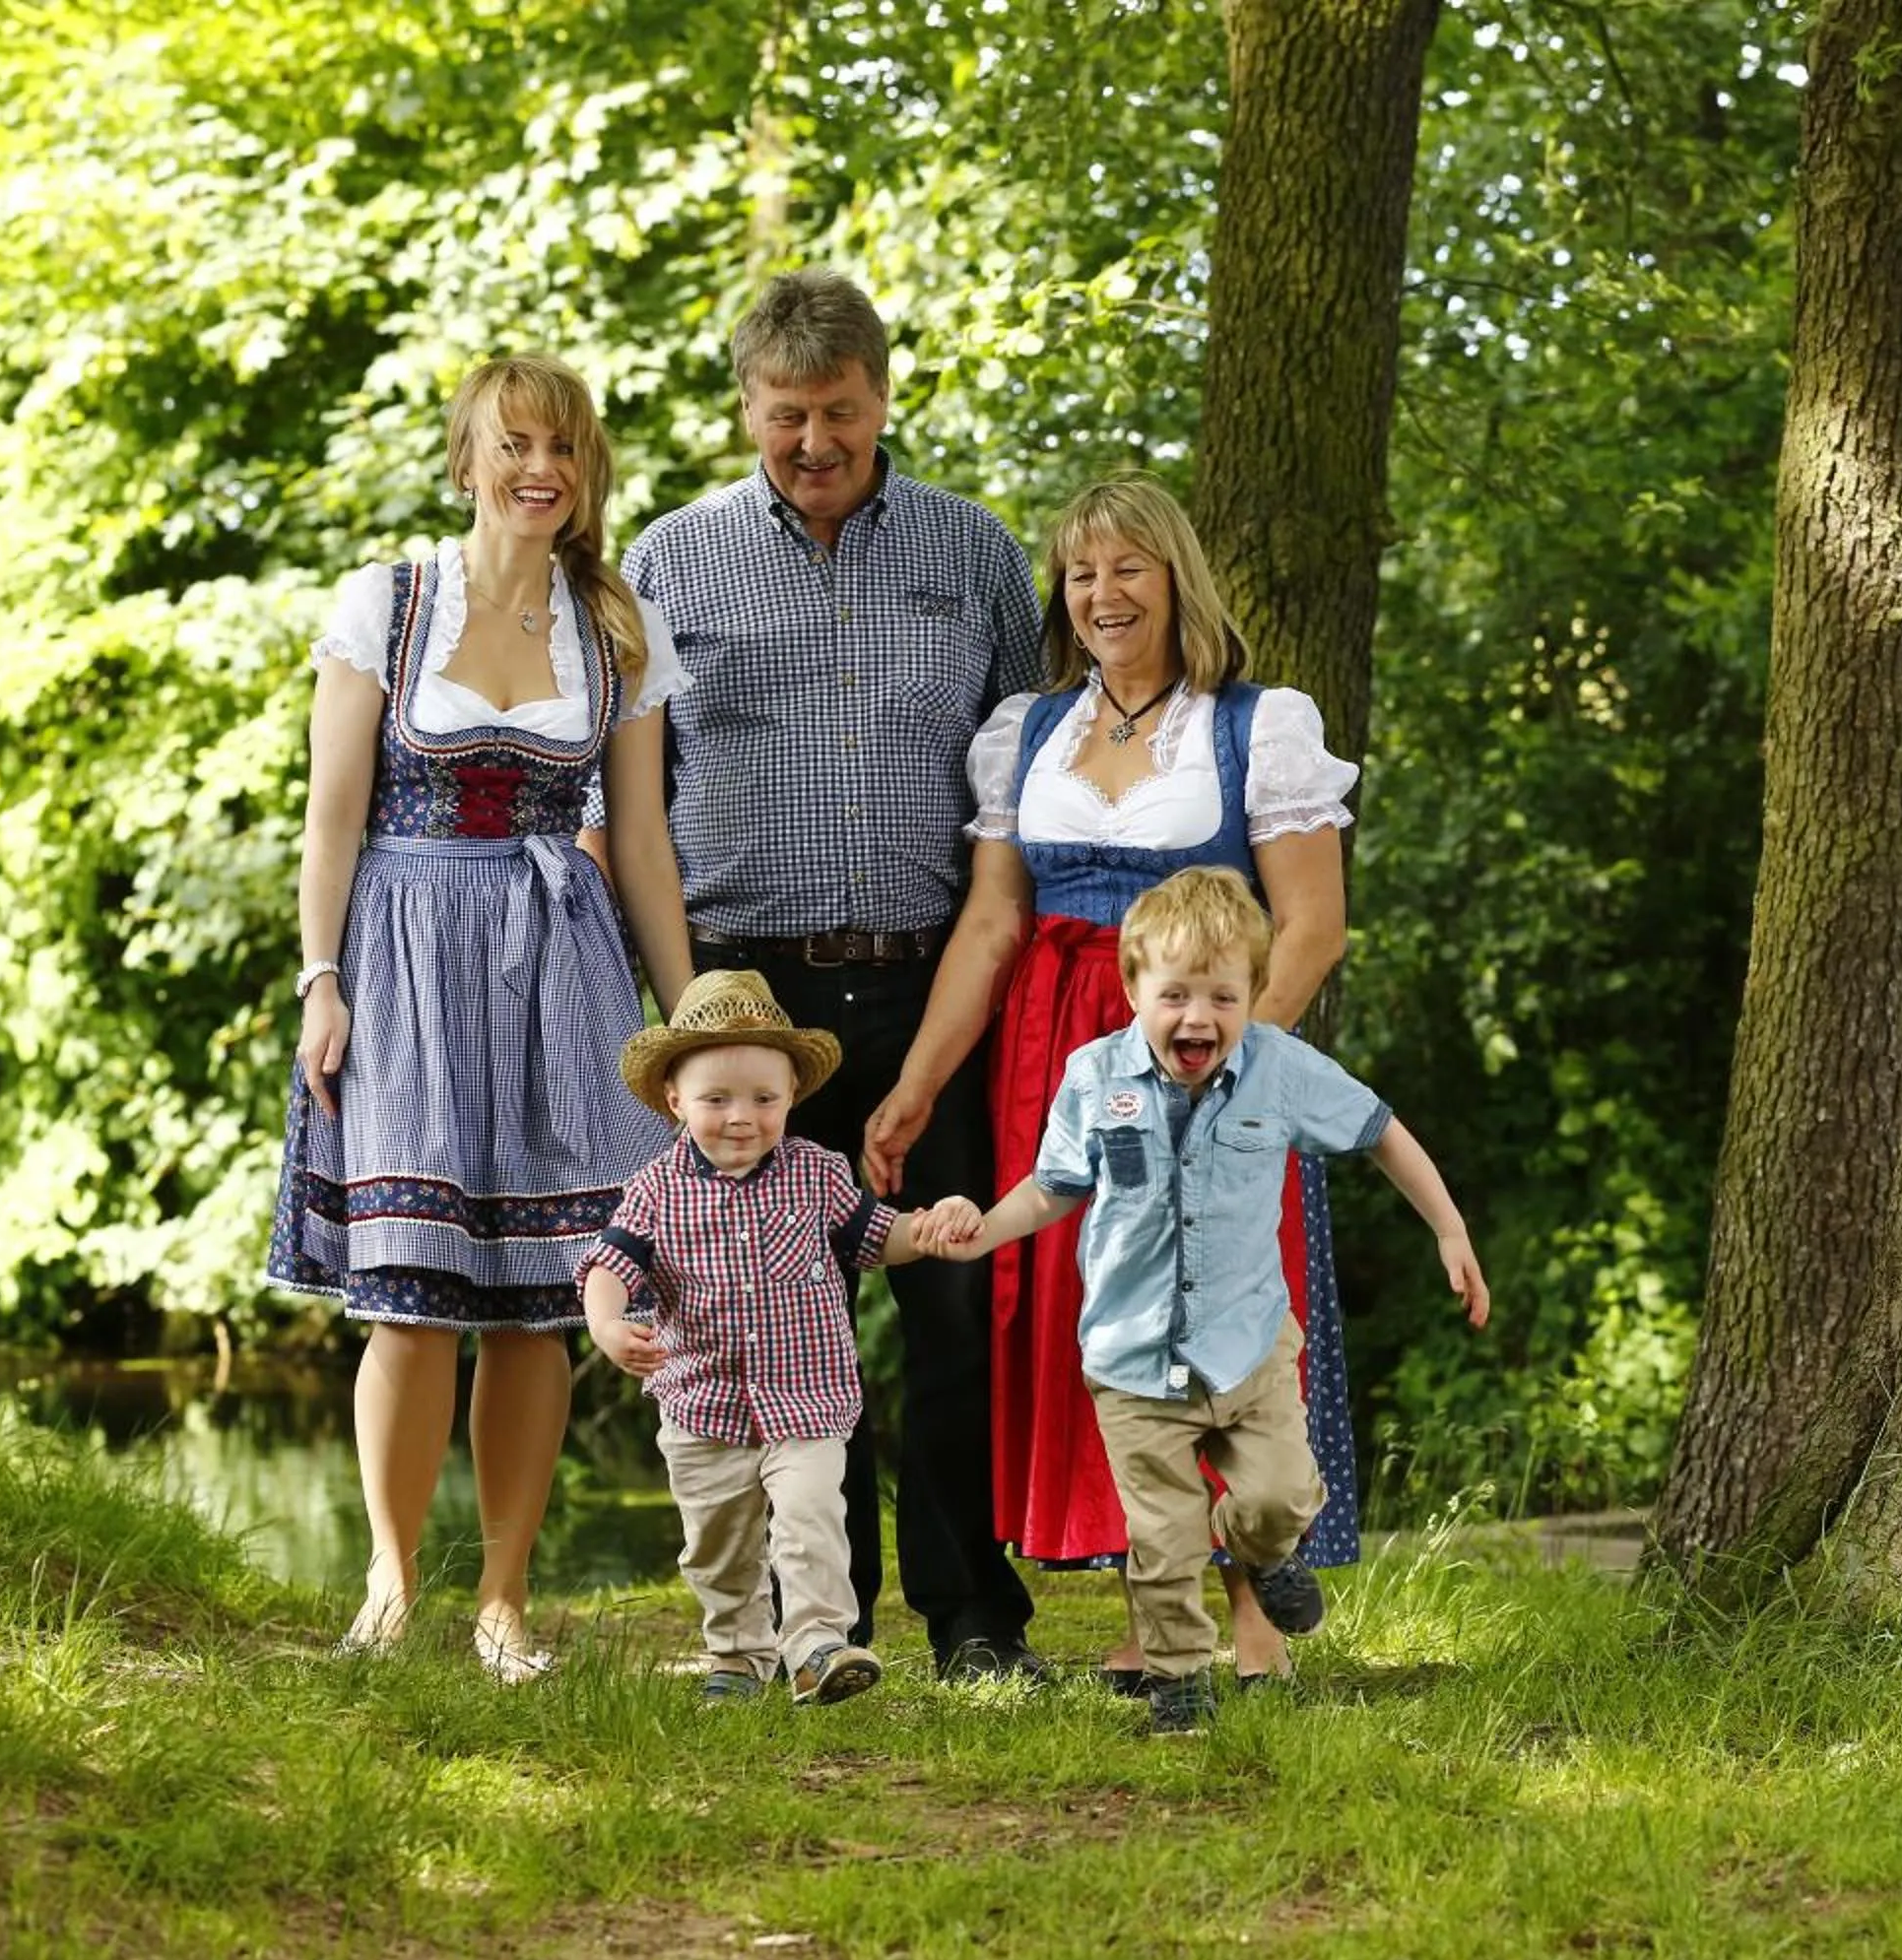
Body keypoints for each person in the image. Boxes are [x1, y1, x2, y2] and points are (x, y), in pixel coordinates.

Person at [862, 474, 1360, 1686]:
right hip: (1062, 1061)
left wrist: (1233, 1064)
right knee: (1118, 1321)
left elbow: (1310, 924)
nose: (1102, 593)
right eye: (1081, 574)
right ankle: (1158, 1609)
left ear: (1177, 576)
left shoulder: (1255, 722)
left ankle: (1253, 1612)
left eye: (1127, 567)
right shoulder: (1028, 731)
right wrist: (921, 1085)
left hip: (1204, 1039)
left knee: (1231, 1303)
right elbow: (990, 927)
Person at [622, 269, 1048, 1681]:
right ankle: (825, 1622)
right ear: (747, 403)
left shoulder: (975, 554)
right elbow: (635, 798)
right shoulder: (672, 562)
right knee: (777, 1320)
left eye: (842, 413)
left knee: (949, 1300)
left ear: (883, 397)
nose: (815, 440)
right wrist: (687, 1013)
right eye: (788, 413)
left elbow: (1017, 791)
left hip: (931, 988)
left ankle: (973, 1614)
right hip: (748, 998)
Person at [265, 354, 693, 1680]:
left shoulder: (615, 629)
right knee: (412, 1292)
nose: (538, 470)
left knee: (545, 1295)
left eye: (561, 450)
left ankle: (505, 1600)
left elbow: (641, 841)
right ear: (468, 457)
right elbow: (332, 816)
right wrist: (318, 978)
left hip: (558, 957)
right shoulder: (386, 605)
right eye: (514, 445)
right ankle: (390, 1591)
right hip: (400, 949)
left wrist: (690, 1024)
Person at [918, 868, 1489, 1731]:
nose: (1198, 1017)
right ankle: (1180, 1686)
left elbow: (1381, 1131)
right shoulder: (1093, 1076)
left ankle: (1267, 1554)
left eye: (1222, 996)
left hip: (1250, 1348)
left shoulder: (1279, 1069)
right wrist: (983, 1232)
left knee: (1280, 1496)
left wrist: (1449, 1229)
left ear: (1254, 994)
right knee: (1163, 1540)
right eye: (1175, 994)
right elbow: (1054, 1187)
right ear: (1133, 989)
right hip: (1132, 1357)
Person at [578, 971, 970, 1705]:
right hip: (704, 1406)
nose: (741, 1118)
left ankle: (819, 1643)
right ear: (675, 1101)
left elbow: (882, 1237)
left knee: (813, 1518)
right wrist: (607, 1323)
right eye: (716, 1099)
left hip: (807, 1397)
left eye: (764, 1099)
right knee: (719, 1545)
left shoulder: (817, 1174)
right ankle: (737, 1654)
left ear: (792, 1096)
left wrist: (933, 1225)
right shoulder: (656, 1188)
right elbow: (610, 1264)